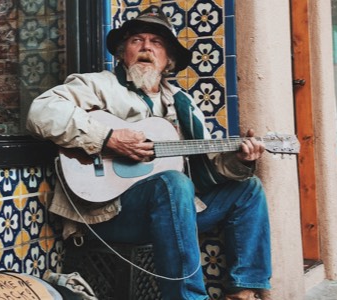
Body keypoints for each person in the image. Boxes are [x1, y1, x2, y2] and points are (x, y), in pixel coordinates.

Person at [26, 5, 272, 300]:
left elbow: (205, 169)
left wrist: (239, 160)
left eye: (156, 43)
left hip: (173, 213)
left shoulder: (184, 104)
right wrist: (107, 138)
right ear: (121, 53)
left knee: (248, 189)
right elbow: (41, 112)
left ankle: (243, 291)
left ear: (168, 60)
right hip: (107, 215)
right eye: (136, 40)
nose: (146, 47)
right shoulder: (99, 85)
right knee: (173, 183)